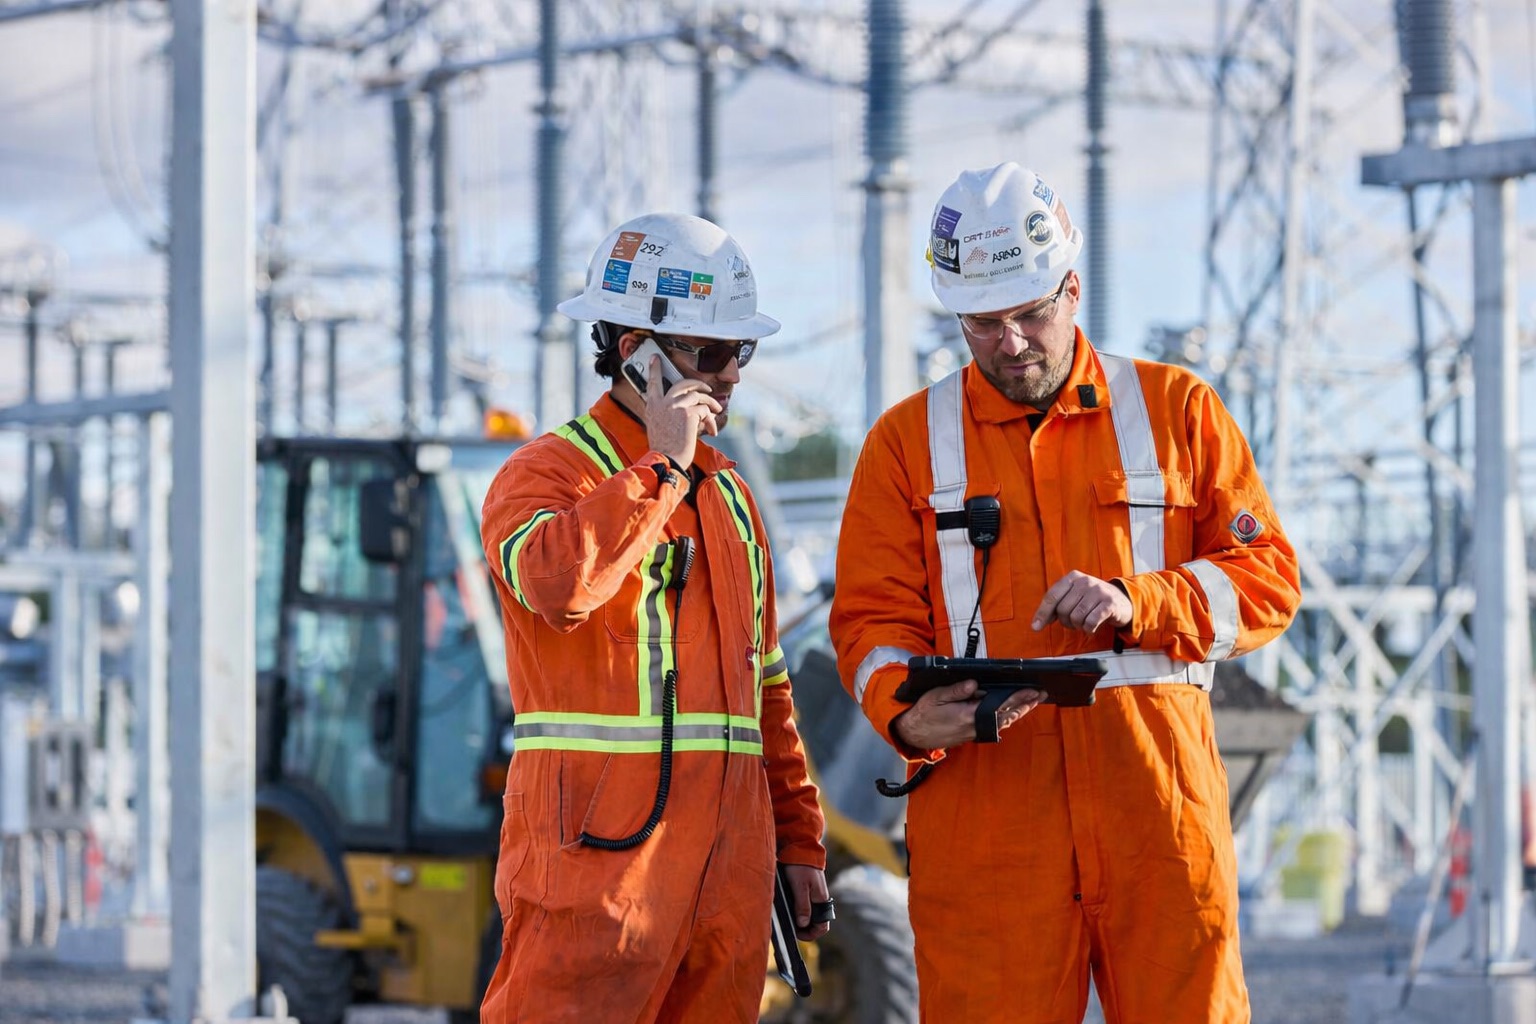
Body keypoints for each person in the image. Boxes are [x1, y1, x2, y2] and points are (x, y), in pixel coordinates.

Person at [829, 163, 1301, 1023]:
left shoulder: (1176, 409)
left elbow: (1266, 581)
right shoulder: (905, 446)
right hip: (987, 821)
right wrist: (903, 709)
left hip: (1158, 808)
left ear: (1072, 287)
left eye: (1030, 314)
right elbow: (868, 622)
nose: (1010, 342)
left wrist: (1142, 600)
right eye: (982, 323)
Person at [480, 212, 829, 1022]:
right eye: (710, 354)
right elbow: (559, 585)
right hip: (596, 879)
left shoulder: (731, 497)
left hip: (725, 887)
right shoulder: (543, 476)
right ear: (635, 352)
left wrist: (799, 841)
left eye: (739, 352)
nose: (732, 375)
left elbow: (764, 689)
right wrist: (661, 464)